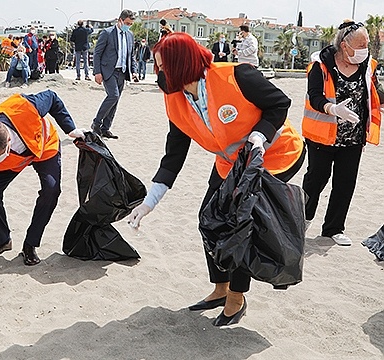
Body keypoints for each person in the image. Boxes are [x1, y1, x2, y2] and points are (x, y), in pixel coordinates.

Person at [127, 32, 305, 326]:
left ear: (181, 64)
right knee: (208, 219)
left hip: (275, 154)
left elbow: (279, 103)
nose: (159, 75)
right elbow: (174, 155)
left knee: (239, 224)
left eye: (162, 67)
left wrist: (259, 136)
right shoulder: (175, 99)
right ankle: (220, 289)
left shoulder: (237, 76)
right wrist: (148, 203)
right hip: (230, 163)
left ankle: (237, 297)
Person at [0, 90, 85, 272]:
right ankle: (3, 240)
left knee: (51, 190)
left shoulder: (26, 107)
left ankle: (30, 245)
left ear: (8, 143)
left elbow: (52, 97)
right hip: (14, 161)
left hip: (43, 146)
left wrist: (70, 128)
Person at [302, 20, 384, 246]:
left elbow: (376, 94)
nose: (364, 49)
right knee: (316, 179)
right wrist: (333, 109)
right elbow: (315, 96)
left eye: (366, 44)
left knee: (345, 182)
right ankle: (301, 221)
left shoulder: (368, 65)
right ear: (344, 45)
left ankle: (333, 228)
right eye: (360, 45)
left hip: (353, 137)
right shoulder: (321, 64)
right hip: (322, 135)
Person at [91, 9, 138, 139]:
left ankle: (105, 128)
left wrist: (134, 71)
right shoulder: (107, 33)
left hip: (122, 72)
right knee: (113, 96)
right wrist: (97, 72)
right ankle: (96, 123)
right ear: (120, 20)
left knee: (115, 101)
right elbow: (97, 53)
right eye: (127, 23)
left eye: (131, 24)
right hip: (108, 71)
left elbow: (131, 55)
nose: (128, 26)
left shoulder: (130, 35)